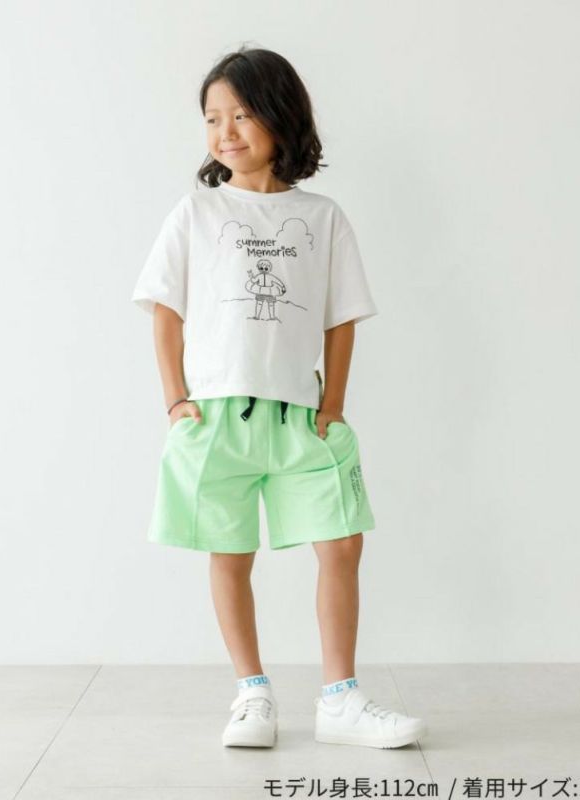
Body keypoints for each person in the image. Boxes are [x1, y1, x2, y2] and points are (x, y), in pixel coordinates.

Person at [131, 47, 427, 750]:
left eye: (241, 114)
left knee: (342, 543)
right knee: (230, 552)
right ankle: (252, 692)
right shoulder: (197, 212)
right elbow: (165, 310)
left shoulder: (322, 218)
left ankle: (340, 699)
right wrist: (176, 401)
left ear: (281, 116)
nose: (225, 131)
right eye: (212, 118)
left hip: (302, 418)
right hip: (218, 416)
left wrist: (334, 406)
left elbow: (341, 318)